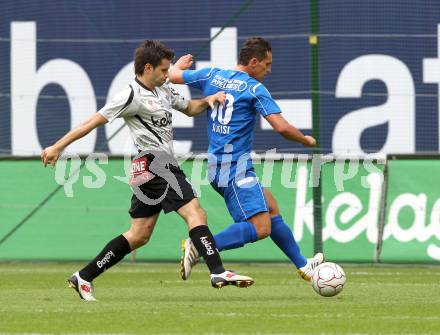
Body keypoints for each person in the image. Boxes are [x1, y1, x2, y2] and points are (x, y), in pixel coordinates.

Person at [41, 40, 254, 301]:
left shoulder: (162, 88)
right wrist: (58, 146)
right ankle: (217, 270)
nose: (169, 75)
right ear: (148, 67)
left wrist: (208, 100)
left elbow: (188, 109)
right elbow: (92, 122)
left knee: (139, 235)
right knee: (195, 213)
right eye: (165, 70)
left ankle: (83, 276)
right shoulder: (130, 94)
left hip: (145, 169)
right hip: (156, 163)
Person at [168, 37, 324, 282]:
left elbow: (173, 76)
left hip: (216, 166)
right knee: (261, 228)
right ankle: (201, 246)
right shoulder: (254, 89)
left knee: (270, 206)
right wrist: (307, 141)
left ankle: (303, 265)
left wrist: (179, 65)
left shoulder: (212, 75)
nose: (269, 69)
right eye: (267, 64)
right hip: (234, 169)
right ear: (253, 61)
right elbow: (281, 127)